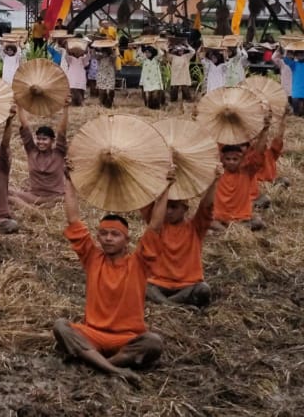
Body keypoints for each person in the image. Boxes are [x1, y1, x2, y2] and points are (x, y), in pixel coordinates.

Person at [53, 168, 171, 384]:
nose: (108, 239)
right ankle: (115, 370)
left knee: (153, 342)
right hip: (92, 334)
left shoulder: (139, 262)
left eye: (115, 234)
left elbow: (155, 225)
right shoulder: (92, 257)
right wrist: (69, 181)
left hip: (126, 339)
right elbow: (73, 219)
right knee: (61, 326)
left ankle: (99, 364)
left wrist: (166, 189)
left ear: (127, 240)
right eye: (104, 234)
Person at [139, 174, 219, 307]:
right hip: (158, 284)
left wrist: (214, 180)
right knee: (142, 284)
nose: (168, 211)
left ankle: (166, 304)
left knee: (203, 290)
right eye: (166, 207)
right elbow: (145, 201)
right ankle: (175, 305)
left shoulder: (195, 228)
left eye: (174, 207)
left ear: (185, 209)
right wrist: (164, 184)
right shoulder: (157, 226)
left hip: (187, 286)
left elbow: (207, 206)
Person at [10, 100, 70, 208]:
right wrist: (19, 105)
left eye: (44, 139)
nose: (41, 142)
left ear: (52, 141)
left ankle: (35, 208)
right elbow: (25, 126)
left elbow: (62, 132)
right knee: (6, 192)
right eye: (39, 139)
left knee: (65, 198)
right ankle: (33, 208)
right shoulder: (32, 151)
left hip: (55, 196)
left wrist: (65, 108)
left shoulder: (59, 153)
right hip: (35, 196)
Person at [212, 129, 269, 232]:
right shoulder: (217, 173)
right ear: (222, 159)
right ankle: (229, 231)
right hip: (220, 219)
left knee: (257, 221)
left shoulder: (247, 172)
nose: (231, 162)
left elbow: (259, 152)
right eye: (228, 159)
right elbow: (212, 146)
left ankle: (228, 231)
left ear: (241, 159)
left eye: (235, 159)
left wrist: (265, 129)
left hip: (241, 219)